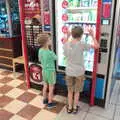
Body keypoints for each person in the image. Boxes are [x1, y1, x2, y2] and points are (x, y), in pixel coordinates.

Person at [63, 26, 99, 114]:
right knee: (77, 92)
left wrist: (67, 36)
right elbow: (97, 46)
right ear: (81, 35)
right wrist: (92, 36)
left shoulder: (66, 44)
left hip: (69, 71)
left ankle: (70, 107)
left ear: (72, 34)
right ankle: (75, 108)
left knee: (70, 91)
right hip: (79, 72)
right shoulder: (82, 44)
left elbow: (64, 41)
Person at [37, 33, 57, 109]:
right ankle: (50, 102)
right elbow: (56, 58)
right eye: (49, 39)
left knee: (45, 85)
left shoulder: (40, 50)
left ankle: (45, 99)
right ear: (46, 42)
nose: (51, 40)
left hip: (44, 70)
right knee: (51, 87)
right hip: (51, 72)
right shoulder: (50, 53)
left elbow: (39, 59)